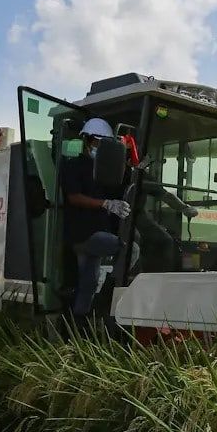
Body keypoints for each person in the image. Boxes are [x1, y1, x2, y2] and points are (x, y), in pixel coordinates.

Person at [61, 117, 139, 318]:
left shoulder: (106, 169)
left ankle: (76, 329)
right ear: (88, 140)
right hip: (85, 235)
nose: (100, 148)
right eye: (98, 143)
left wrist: (136, 170)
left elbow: (124, 187)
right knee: (131, 249)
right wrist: (106, 204)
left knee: (87, 285)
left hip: (95, 234)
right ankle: (108, 294)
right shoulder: (74, 165)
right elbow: (74, 197)